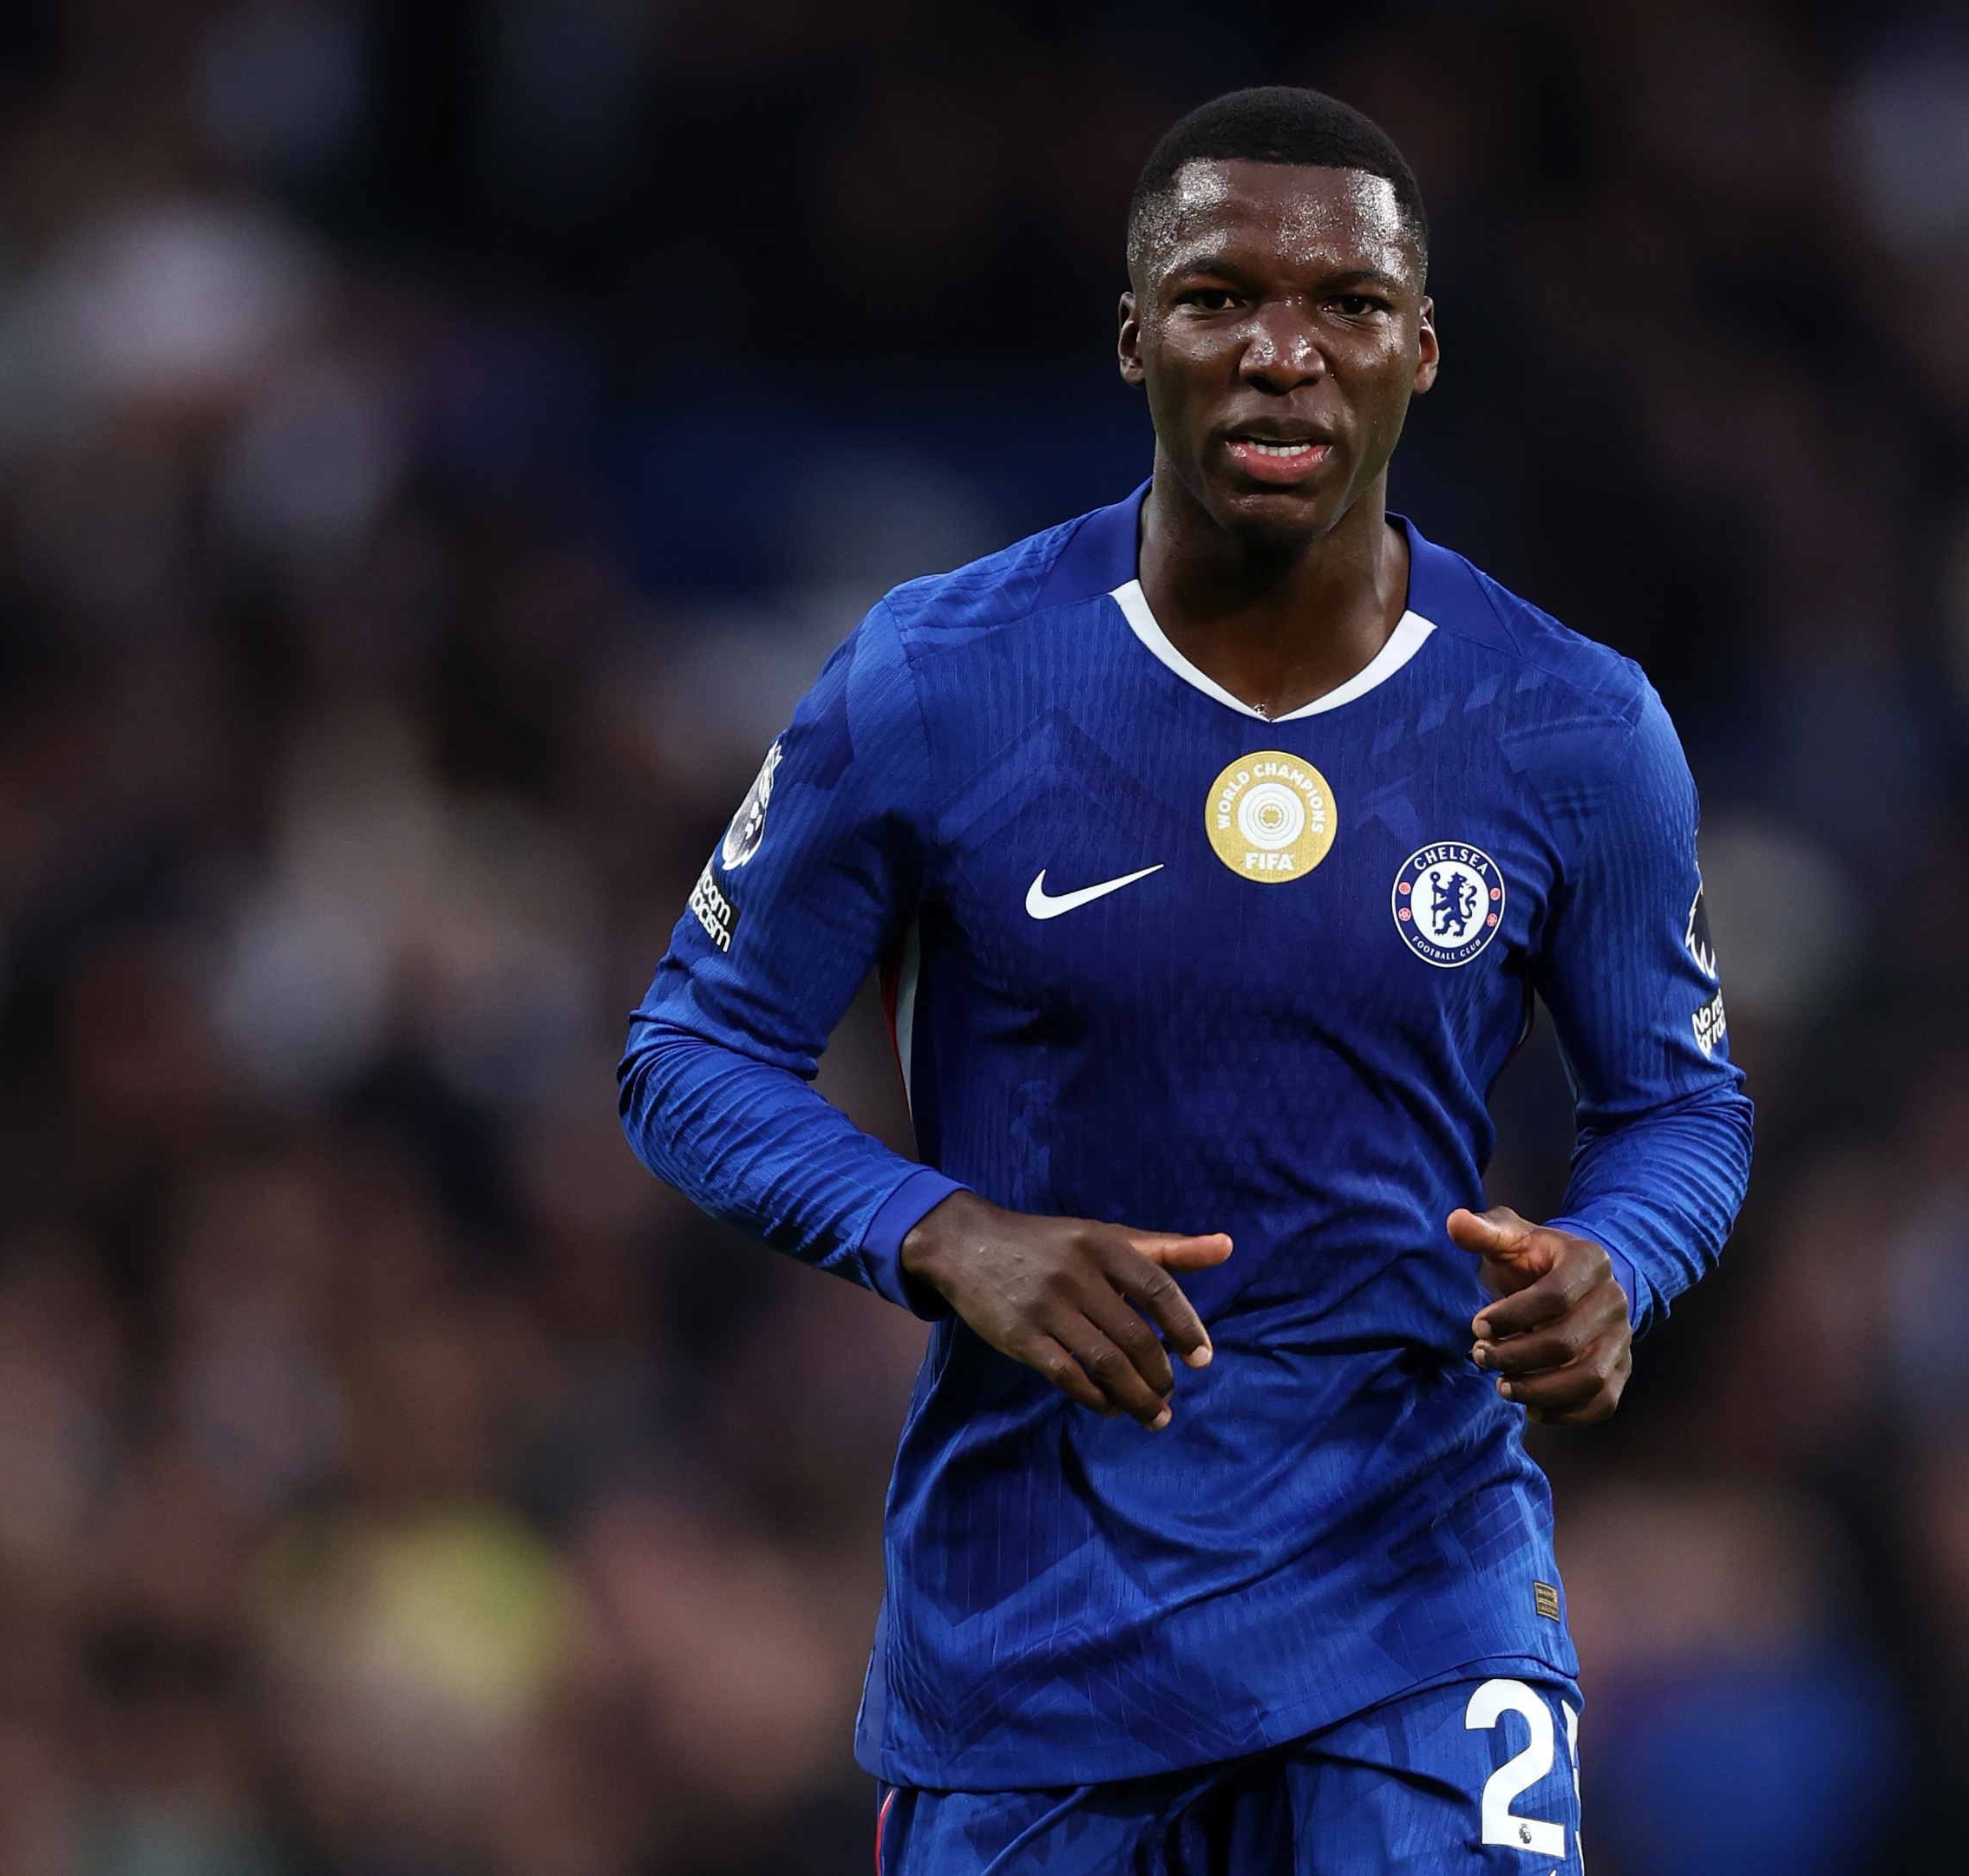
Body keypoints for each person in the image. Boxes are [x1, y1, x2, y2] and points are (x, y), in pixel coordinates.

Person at [619, 85, 1751, 1873]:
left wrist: (1621, 1257)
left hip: (1423, 1600)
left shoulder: (1573, 725)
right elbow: (689, 1051)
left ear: (1421, 351)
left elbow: (1678, 1104)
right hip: (1037, 1633)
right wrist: (945, 1233)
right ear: (1134, 335)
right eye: (1221, 297)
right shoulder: (939, 678)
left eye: (1347, 306)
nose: (1283, 354)